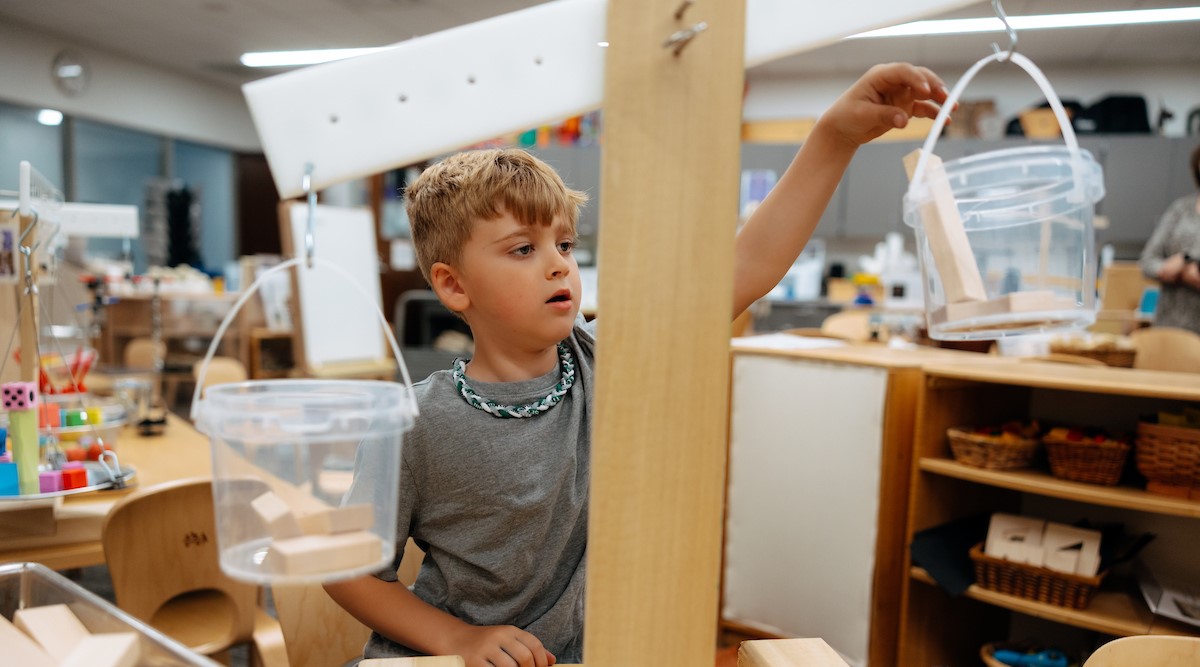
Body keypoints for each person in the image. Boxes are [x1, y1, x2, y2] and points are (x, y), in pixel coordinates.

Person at [324, 62, 949, 667]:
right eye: (523, 249)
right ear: (454, 286)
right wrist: (458, 638)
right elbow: (347, 571)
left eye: (564, 244)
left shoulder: (608, 358)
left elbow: (747, 266)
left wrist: (834, 135)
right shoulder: (411, 421)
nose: (557, 265)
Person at [1139, 144, 1200, 334]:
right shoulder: (1180, 209)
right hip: (1169, 326)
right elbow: (1148, 261)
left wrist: (1185, 262)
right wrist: (1175, 268)